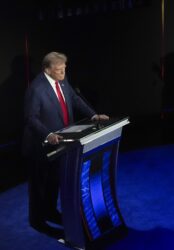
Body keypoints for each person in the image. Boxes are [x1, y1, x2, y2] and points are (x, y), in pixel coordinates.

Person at [22, 52, 109, 236]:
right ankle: (37, 221)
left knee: (54, 181)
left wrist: (93, 115)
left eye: (64, 68)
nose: (63, 72)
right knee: (39, 186)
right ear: (47, 69)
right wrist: (48, 134)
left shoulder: (62, 78)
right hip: (41, 145)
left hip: (61, 142)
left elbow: (74, 99)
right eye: (59, 70)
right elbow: (31, 118)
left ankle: (50, 211)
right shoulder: (36, 89)